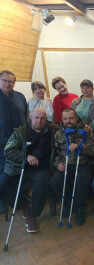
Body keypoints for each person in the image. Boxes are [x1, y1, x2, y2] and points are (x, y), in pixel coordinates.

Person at [0, 108, 59, 233]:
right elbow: (8, 151)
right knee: (2, 185)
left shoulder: (53, 129)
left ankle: (33, 215)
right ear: (30, 117)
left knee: (43, 181)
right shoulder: (20, 132)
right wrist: (26, 157)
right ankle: (23, 205)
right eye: (37, 117)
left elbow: (68, 126)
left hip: (41, 168)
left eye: (43, 118)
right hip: (18, 168)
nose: (39, 121)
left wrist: (84, 126)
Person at [50, 108, 94, 226]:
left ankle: (80, 209)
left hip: (83, 163)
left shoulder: (86, 130)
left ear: (76, 118)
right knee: (55, 182)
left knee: (81, 181)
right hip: (65, 164)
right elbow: (55, 154)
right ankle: (67, 203)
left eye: (71, 118)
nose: (69, 121)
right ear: (61, 119)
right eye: (65, 118)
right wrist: (58, 164)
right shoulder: (58, 133)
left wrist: (80, 147)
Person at [0, 70, 27, 214]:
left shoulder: (20, 96)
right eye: (4, 80)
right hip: (2, 144)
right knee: (4, 177)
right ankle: (7, 201)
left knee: (18, 174)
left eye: (10, 81)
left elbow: (26, 117)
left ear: (14, 83)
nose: (7, 83)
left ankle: (21, 202)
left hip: (20, 142)